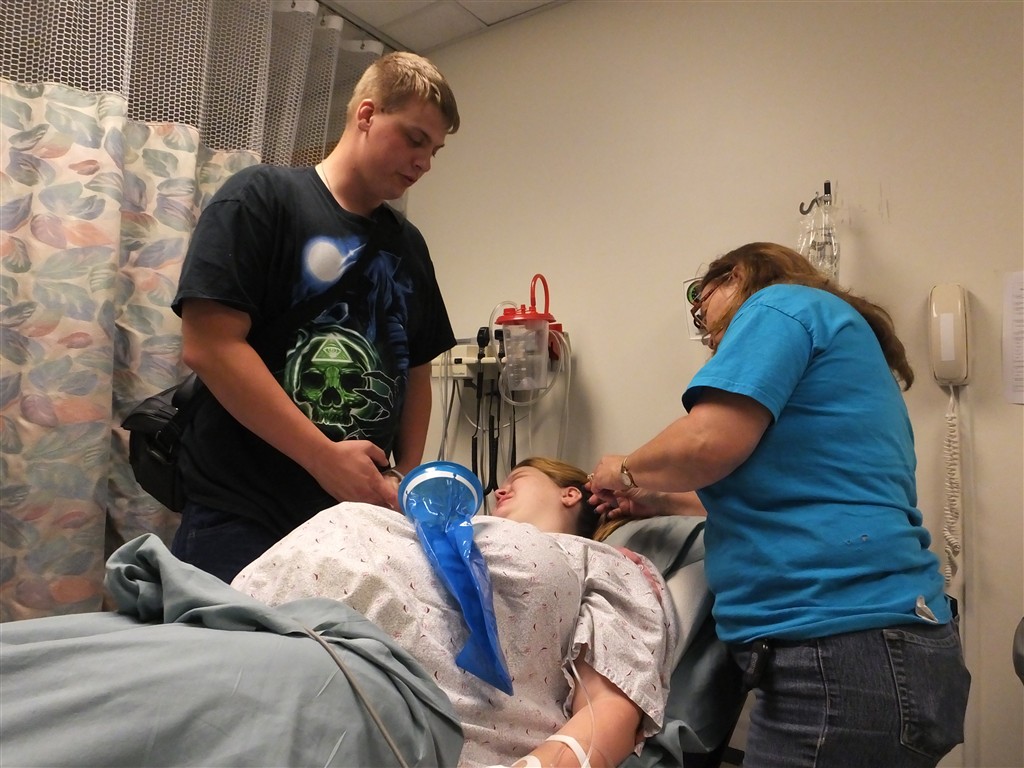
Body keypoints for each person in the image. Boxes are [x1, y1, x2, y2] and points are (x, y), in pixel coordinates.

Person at [589, 242, 971, 768]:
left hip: (842, 650)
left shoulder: (779, 305)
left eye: (703, 305)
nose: (709, 335)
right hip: (891, 647)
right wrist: (656, 498)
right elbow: (784, 492)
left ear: (737, 276)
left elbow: (706, 442)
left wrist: (624, 469)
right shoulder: (843, 345)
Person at [169, 52, 460, 583]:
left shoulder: (409, 245)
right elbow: (210, 345)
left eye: (434, 151)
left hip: (355, 522)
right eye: (415, 139)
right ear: (367, 114)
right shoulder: (261, 198)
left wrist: (405, 477)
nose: (425, 163)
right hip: (244, 512)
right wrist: (323, 457)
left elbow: (417, 368)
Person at [233, 457, 679, 768]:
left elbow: (610, 707)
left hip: (368, 711)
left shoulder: (603, 561)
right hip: (251, 644)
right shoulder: (442, 528)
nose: (499, 489)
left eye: (519, 477)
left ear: (570, 493)